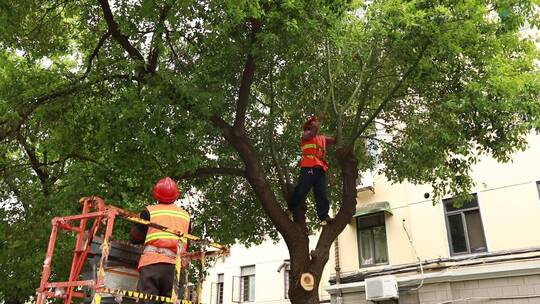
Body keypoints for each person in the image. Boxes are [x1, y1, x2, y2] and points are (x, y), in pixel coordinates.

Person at [130, 176, 190, 302]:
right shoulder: (185, 216)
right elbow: (186, 244)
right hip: (174, 267)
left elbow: (135, 238)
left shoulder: (149, 212)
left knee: (147, 300)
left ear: (156, 194)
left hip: (152, 264)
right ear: (176, 195)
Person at [288, 117, 336, 225]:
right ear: (309, 127)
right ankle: (290, 208)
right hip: (309, 165)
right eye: (313, 124)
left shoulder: (322, 138)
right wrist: (315, 127)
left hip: (320, 168)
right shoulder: (306, 135)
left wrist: (338, 135)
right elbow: (312, 133)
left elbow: (333, 140)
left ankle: (324, 216)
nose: (315, 124)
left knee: (321, 193)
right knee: (302, 189)